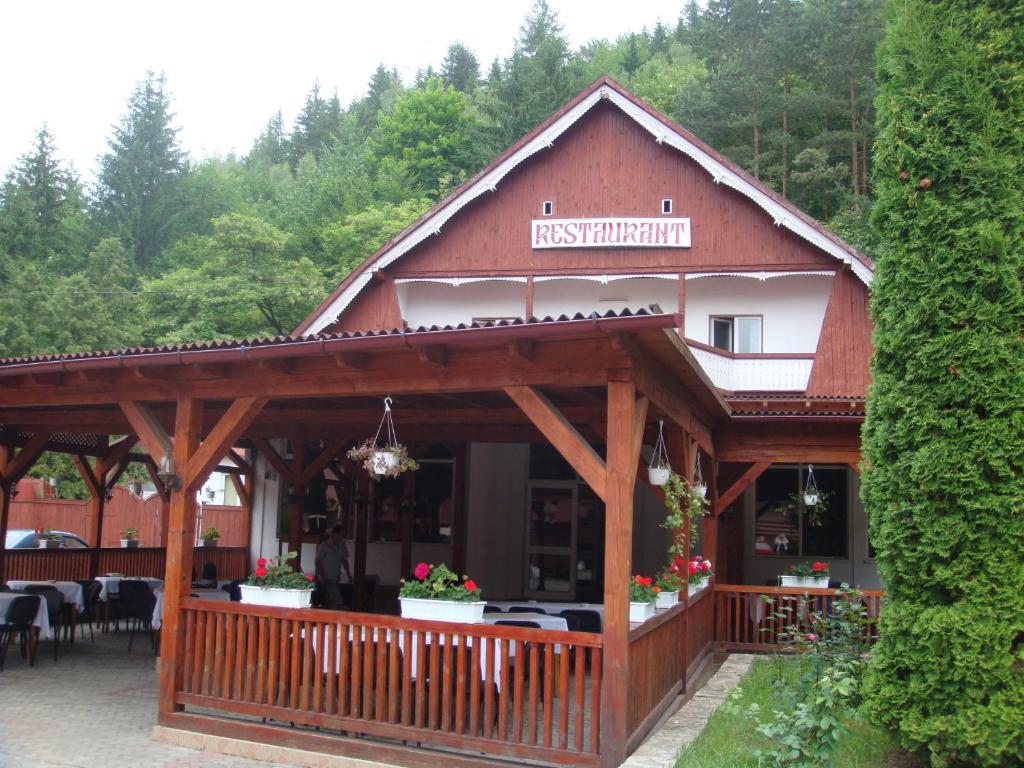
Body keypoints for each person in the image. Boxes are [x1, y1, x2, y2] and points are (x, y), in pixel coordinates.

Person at [315, 524, 352, 609]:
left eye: (344, 535)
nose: (343, 537)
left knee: (329, 600)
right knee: (337, 600)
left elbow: (344, 560)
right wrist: (321, 576)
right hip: (326, 577)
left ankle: (327, 619)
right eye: (342, 534)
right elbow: (317, 562)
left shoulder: (342, 545)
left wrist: (348, 574)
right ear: (335, 534)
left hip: (336, 577)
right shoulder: (324, 545)